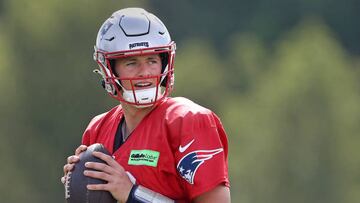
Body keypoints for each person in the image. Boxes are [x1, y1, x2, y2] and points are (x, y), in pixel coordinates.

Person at [62, 7, 230, 203]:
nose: (145, 72)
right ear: (110, 70)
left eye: (152, 60)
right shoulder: (98, 129)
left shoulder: (189, 122)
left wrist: (133, 194)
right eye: (131, 63)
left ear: (165, 62)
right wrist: (80, 185)